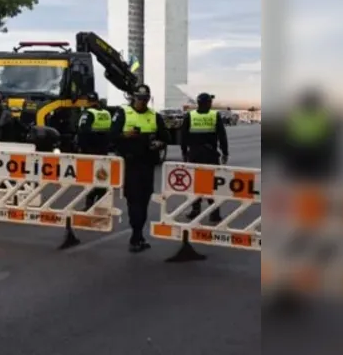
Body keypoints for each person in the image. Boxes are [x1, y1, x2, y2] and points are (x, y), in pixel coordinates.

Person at [111, 84, 169, 253]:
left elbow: (166, 136)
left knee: (144, 200)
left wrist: (159, 143)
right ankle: (136, 235)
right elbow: (112, 135)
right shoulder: (123, 113)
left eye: (145, 100)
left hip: (148, 164)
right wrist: (125, 135)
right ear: (133, 98)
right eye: (139, 99)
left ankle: (138, 234)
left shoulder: (154, 116)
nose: (142, 103)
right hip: (131, 164)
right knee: (134, 200)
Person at [181, 93, 229, 223]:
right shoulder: (215, 115)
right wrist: (225, 153)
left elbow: (183, 137)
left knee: (195, 183)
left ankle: (195, 210)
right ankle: (214, 213)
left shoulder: (190, 116)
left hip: (194, 154)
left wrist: (184, 153)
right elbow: (222, 136)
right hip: (210, 155)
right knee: (212, 184)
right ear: (208, 103)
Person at [76, 92, 113, 210]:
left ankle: (89, 203)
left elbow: (82, 132)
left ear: (88, 102)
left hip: (90, 151)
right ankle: (98, 202)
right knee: (102, 177)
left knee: (90, 179)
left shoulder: (88, 113)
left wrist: (81, 148)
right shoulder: (106, 113)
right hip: (104, 150)